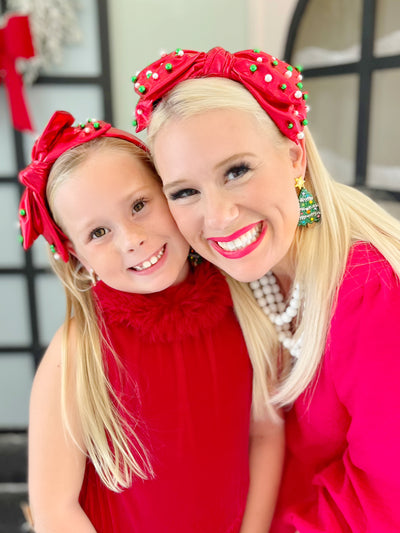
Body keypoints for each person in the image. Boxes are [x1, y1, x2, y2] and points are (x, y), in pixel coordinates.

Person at [132, 47, 400, 532]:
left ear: (294, 157)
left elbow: (387, 499)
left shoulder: (370, 289)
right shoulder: (234, 281)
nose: (218, 217)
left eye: (237, 171)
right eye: (185, 192)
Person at [19, 110, 284, 533]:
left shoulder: (244, 307)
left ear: (172, 194)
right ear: (77, 255)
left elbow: (266, 436)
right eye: (98, 233)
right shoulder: (77, 354)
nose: (131, 239)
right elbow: (55, 510)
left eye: (139, 206)